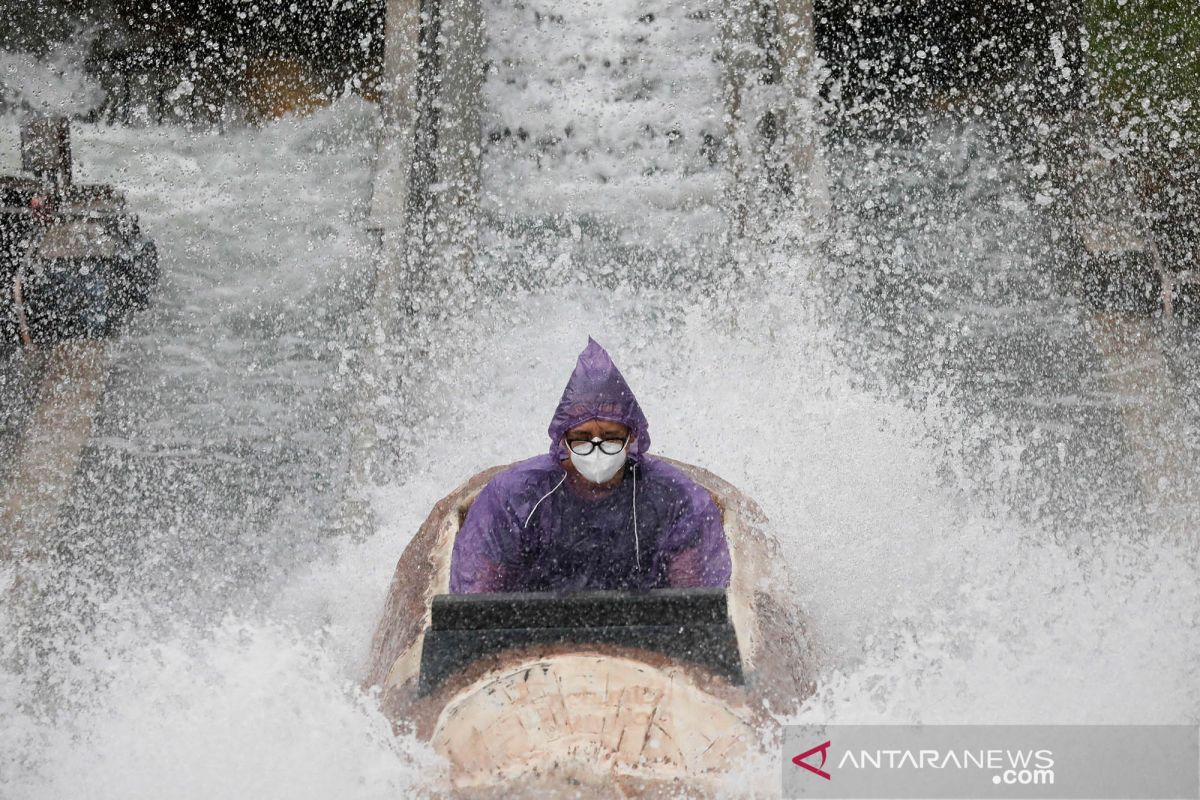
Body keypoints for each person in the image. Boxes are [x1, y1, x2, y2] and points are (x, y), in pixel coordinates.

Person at [449, 337, 732, 593]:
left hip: (647, 631)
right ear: (563, 441)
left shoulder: (671, 496)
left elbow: (698, 601)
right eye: (582, 439)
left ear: (631, 437)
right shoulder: (516, 497)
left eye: (610, 438)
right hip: (534, 631)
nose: (596, 450)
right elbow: (477, 598)